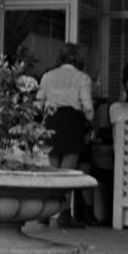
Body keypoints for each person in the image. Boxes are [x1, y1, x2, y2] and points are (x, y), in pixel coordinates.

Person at [37, 44, 95, 228]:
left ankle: (45, 212)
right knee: (67, 172)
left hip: (52, 121)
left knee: (53, 170)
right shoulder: (82, 78)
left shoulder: (47, 76)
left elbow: (39, 101)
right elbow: (87, 106)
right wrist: (90, 119)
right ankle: (64, 214)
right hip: (71, 122)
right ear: (79, 59)